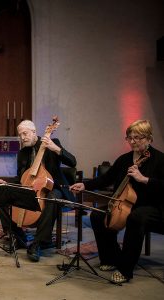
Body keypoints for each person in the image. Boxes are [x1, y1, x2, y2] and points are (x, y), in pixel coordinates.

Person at [70, 119, 164, 284]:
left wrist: (144, 179)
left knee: (135, 218)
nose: (133, 141)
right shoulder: (125, 159)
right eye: (130, 137)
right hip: (124, 203)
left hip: (152, 205)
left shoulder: (160, 160)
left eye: (138, 137)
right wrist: (85, 185)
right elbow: (106, 179)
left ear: (149, 139)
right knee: (98, 216)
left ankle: (125, 269)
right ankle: (110, 258)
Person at [0, 120, 77, 262]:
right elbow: (21, 178)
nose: (22, 137)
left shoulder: (52, 142)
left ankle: (38, 243)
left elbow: (72, 162)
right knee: (2, 194)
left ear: (34, 132)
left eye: (25, 134)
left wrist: (55, 148)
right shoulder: (22, 153)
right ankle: (17, 237)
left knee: (51, 198)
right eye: (20, 135)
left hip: (53, 188)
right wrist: (6, 183)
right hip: (29, 188)